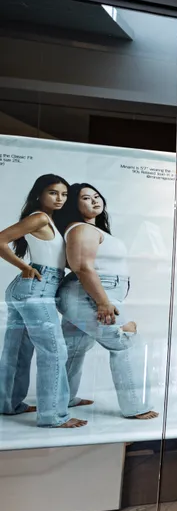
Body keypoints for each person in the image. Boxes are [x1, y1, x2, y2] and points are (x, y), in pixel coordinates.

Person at [56, 183, 157, 420]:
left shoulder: (89, 229)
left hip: (84, 293)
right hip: (88, 294)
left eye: (96, 195)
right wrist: (102, 302)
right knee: (124, 342)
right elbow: (82, 267)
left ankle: (63, 398)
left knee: (74, 348)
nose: (94, 200)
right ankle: (136, 407)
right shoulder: (81, 229)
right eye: (85, 198)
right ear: (74, 204)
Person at [0, 174, 86, 428]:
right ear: (40, 194)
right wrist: (24, 266)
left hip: (27, 290)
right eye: (53, 192)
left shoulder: (48, 220)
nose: (59, 198)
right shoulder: (38, 217)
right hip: (36, 289)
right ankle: (53, 416)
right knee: (54, 351)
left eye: (64, 194)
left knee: (17, 350)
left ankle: (9, 404)